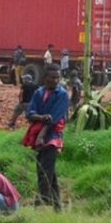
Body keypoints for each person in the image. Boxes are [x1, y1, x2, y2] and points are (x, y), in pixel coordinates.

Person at [26, 64, 71, 210]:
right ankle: (57, 207)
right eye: (53, 77)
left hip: (53, 137)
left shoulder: (63, 94)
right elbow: (30, 113)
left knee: (44, 171)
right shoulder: (38, 93)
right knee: (48, 171)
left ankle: (41, 203)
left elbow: (55, 118)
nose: (56, 80)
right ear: (45, 78)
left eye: (58, 77)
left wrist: (41, 133)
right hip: (41, 136)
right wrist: (42, 117)